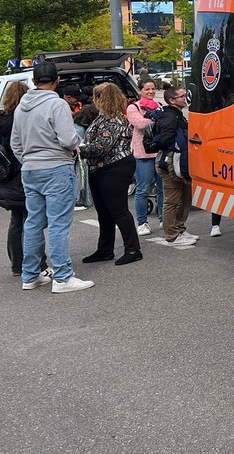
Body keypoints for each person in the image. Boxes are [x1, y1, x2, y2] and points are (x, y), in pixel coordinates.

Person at [10, 61, 92, 293]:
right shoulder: (57, 104)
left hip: (30, 169)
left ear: (34, 81)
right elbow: (68, 138)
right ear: (57, 81)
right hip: (56, 167)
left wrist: (28, 159)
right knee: (58, 223)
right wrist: (76, 144)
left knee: (33, 222)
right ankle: (63, 277)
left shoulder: (21, 107)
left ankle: (30, 275)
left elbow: (15, 143)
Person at [78, 83, 141, 266]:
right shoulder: (105, 117)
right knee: (104, 212)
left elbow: (102, 147)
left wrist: (79, 150)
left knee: (118, 210)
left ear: (100, 99)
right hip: (102, 168)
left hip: (114, 168)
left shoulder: (112, 120)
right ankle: (105, 249)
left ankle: (133, 249)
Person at [0, 82, 46, 278]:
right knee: (33, 218)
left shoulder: (2, 120)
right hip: (24, 171)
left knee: (16, 220)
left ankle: (17, 264)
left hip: (5, 176)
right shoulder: (24, 119)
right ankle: (37, 261)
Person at [157, 85, 195, 246]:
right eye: (182, 96)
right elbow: (165, 140)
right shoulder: (169, 116)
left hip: (180, 162)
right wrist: (180, 143)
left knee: (185, 198)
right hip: (171, 163)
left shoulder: (178, 115)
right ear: (172, 100)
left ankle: (180, 229)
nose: (185, 98)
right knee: (172, 200)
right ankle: (172, 235)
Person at [126, 79, 165, 234]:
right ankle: (142, 223)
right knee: (143, 189)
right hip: (143, 154)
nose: (151, 92)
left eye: (153, 89)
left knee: (163, 189)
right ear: (140, 90)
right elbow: (140, 124)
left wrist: (157, 117)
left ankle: (164, 219)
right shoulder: (133, 107)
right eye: (147, 89)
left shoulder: (161, 105)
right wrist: (158, 118)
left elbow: (169, 121)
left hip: (160, 152)